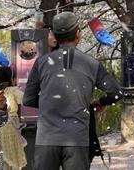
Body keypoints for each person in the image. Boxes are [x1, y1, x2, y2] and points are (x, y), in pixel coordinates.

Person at [22, 11, 123, 170]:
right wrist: (99, 102)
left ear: (55, 35)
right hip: (77, 138)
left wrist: (50, 102)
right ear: (77, 34)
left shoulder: (42, 62)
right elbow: (116, 93)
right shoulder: (91, 63)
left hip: (47, 138)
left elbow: (28, 99)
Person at [0, 66, 27, 170]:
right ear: (11, 78)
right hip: (11, 124)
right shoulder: (13, 90)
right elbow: (25, 100)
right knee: (14, 151)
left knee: (3, 152)